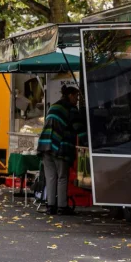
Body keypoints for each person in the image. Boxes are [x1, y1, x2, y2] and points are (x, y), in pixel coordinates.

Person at [37, 85, 86, 215]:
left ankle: (50, 206)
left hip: (45, 145)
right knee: (62, 177)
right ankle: (62, 207)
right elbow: (79, 128)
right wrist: (88, 143)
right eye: (76, 96)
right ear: (70, 95)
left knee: (51, 177)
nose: (77, 100)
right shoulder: (70, 108)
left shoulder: (54, 106)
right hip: (60, 146)